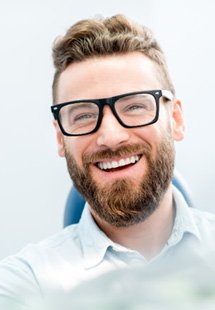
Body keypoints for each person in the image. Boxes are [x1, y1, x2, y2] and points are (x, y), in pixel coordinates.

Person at [1, 14, 215, 309]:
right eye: (84, 115)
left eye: (135, 106)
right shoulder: (28, 283)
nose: (111, 137)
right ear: (61, 138)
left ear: (175, 120)